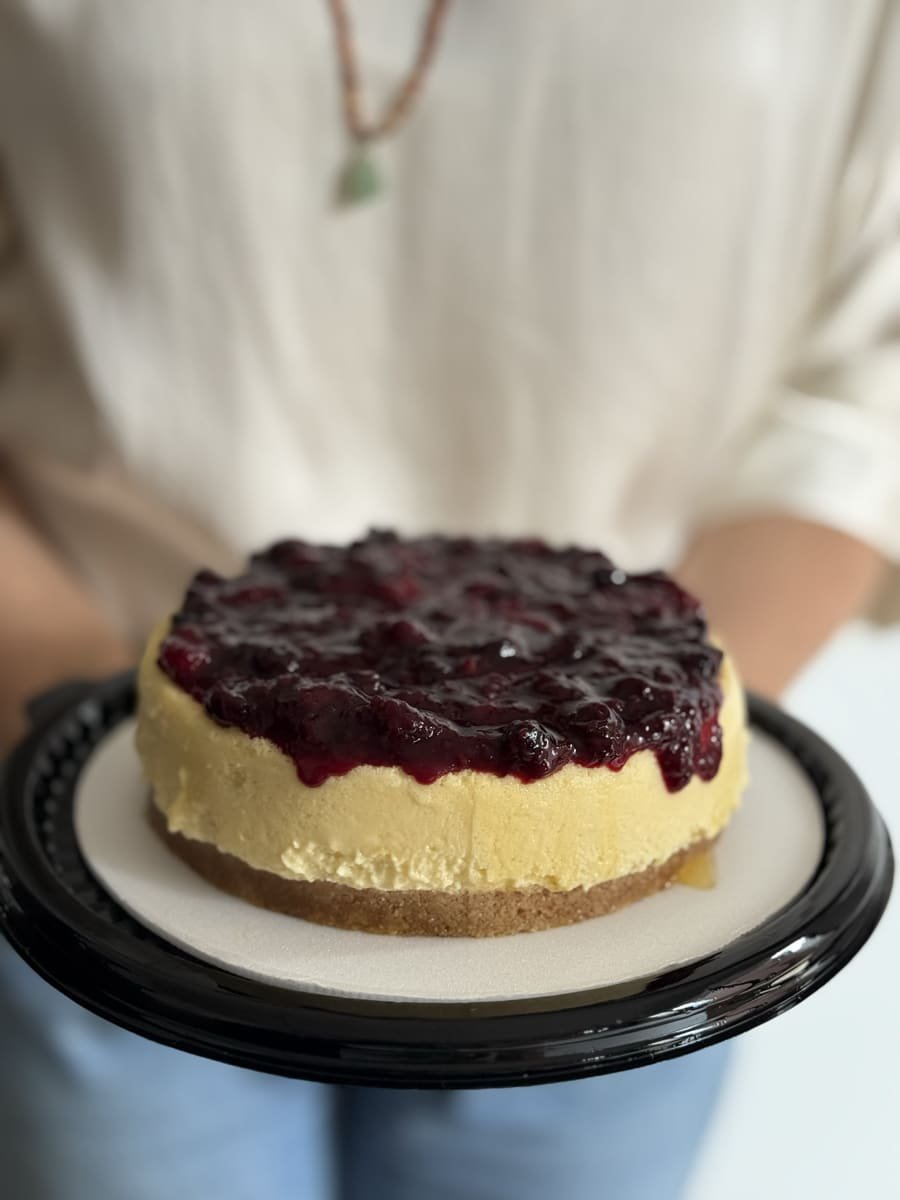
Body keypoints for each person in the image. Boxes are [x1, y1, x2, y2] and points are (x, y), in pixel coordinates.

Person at [0, 3, 898, 1198]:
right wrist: (69, 695)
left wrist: (657, 741)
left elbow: (872, 369)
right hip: (95, 831)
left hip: (630, 932)